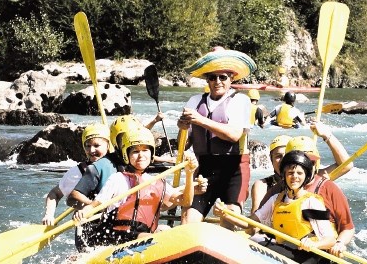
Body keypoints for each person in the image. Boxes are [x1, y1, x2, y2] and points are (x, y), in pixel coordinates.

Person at [73, 126, 206, 247]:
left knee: (167, 231)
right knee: (155, 237)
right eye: (135, 151)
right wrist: (83, 212)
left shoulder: (158, 182)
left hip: (143, 237)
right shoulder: (118, 179)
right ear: (127, 155)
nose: (141, 155)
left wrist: (189, 174)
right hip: (116, 236)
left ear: (151, 153)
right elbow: (96, 205)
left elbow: (185, 201)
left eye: (145, 150)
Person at [178, 46, 256, 229]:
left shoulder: (240, 100)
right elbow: (187, 141)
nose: (217, 81)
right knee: (188, 220)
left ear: (232, 78)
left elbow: (234, 135)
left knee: (229, 218)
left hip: (233, 168)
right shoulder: (195, 101)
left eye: (223, 77)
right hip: (205, 167)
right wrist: (183, 128)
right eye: (212, 77)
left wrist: (200, 120)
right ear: (207, 79)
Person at [216, 150, 337, 263]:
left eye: (299, 173)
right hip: (286, 248)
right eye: (290, 173)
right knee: (253, 241)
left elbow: (330, 240)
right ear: (284, 175)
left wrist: (313, 244)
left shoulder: (311, 202)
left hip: (308, 254)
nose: (294, 176)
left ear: (306, 176)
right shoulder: (277, 199)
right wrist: (225, 214)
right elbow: (250, 223)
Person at [259, 133, 355, 258]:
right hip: (286, 248)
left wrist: (339, 243)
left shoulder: (328, 188)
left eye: (310, 161)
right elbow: (257, 222)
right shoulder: (277, 193)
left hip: (317, 252)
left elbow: (347, 228)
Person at [41, 123, 113, 226]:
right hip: (89, 224)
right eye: (88, 146)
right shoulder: (78, 172)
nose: (91, 150)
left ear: (108, 145)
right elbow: (54, 194)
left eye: (96, 145)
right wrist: (49, 215)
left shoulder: (117, 165)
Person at [250, 134, 292, 212]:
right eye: (278, 156)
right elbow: (255, 217)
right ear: (271, 158)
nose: (283, 160)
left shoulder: (304, 183)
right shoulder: (262, 185)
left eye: (287, 155)